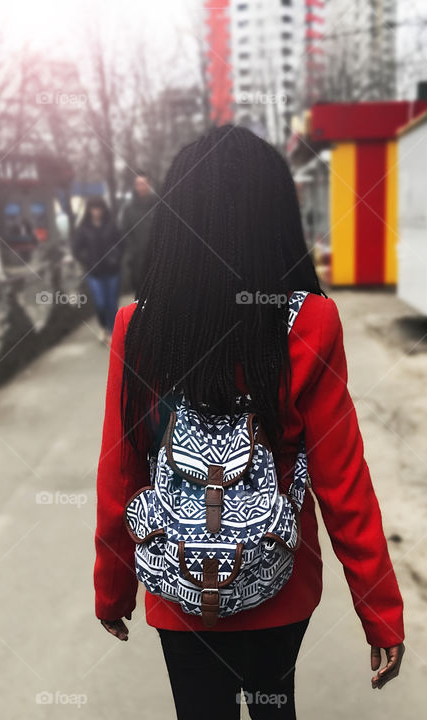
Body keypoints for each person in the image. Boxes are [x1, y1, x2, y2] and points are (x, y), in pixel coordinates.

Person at [93, 126, 405, 719]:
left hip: (176, 580)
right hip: (279, 581)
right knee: (271, 706)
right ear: (275, 220)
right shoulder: (310, 323)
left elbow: (121, 468)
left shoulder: (138, 327)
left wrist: (113, 588)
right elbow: (343, 483)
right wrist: (379, 610)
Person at [72, 197, 123, 342]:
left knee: (112, 302)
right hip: (94, 272)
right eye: (93, 208)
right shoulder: (84, 228)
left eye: (99, 208)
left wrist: (116, 257)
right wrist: (87, 260)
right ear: (89, 210)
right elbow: (76, 249)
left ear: (103, 209)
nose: (96, 212)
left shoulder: (111, 225)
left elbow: (121, 243)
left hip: (112, 271)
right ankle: (103, 327)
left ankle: (114, 331)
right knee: (100, 302)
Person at [119, 170, 156, 296]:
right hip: (138, 261)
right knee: (141, 296)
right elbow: (125, 231)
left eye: (144, 183)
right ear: (135, 186)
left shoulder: (159, 205)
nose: (141, 186)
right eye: (139, 184)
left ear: (149, 184)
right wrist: (133, 249)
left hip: (158, 259)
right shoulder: (129, 210)